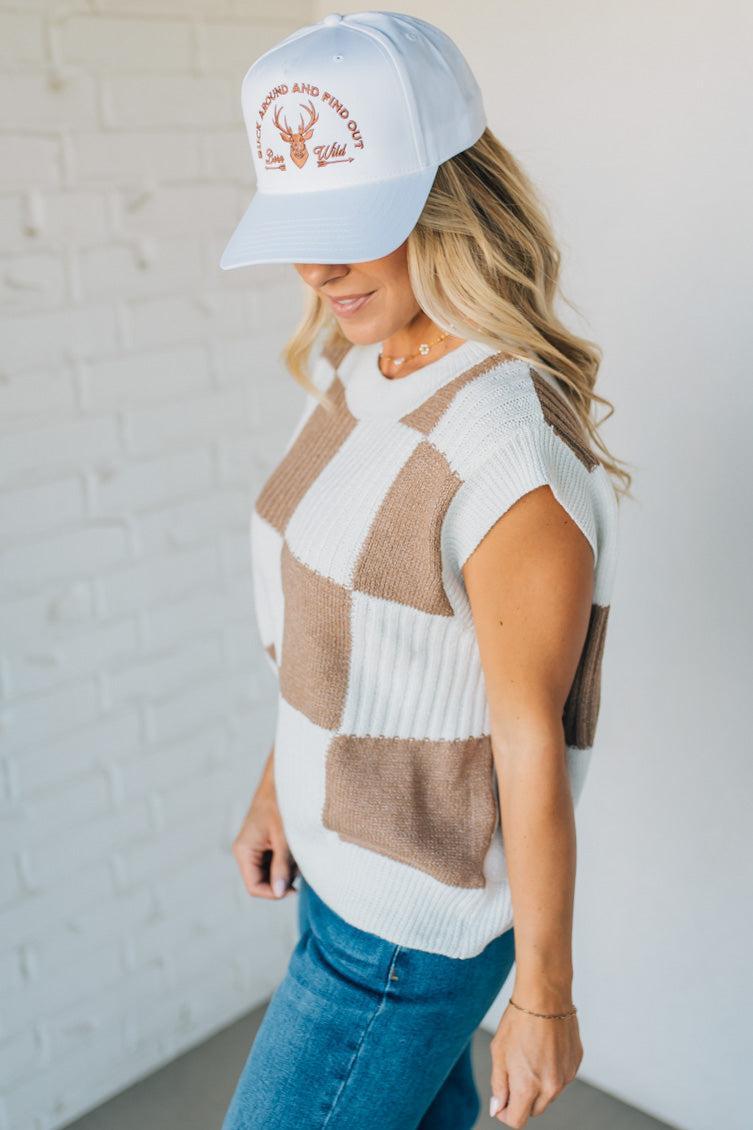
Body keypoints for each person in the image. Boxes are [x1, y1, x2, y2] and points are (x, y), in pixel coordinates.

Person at [217, 11, 629, 1130]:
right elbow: (335, 618)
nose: (318, 264)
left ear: (450, 202)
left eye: (353, 222)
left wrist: (544, 996)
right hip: (337, 872)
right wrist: (278, 784)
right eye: (303, 224)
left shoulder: (505, 455)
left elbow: (528, 747)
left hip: (409, 926)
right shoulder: (366, 359)